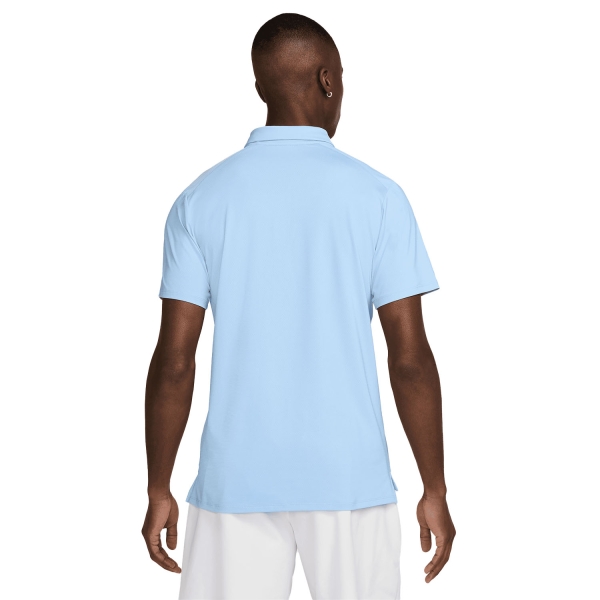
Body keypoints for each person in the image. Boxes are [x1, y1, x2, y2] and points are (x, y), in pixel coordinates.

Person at [142, 12, 455, 600]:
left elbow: (175, 360)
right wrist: (433, 486)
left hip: (236, 481)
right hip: (349, 479)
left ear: (260, 86)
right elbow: (409, 358)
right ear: (327, 79)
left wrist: (159, 486)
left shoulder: (199, 200)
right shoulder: (379, 198)